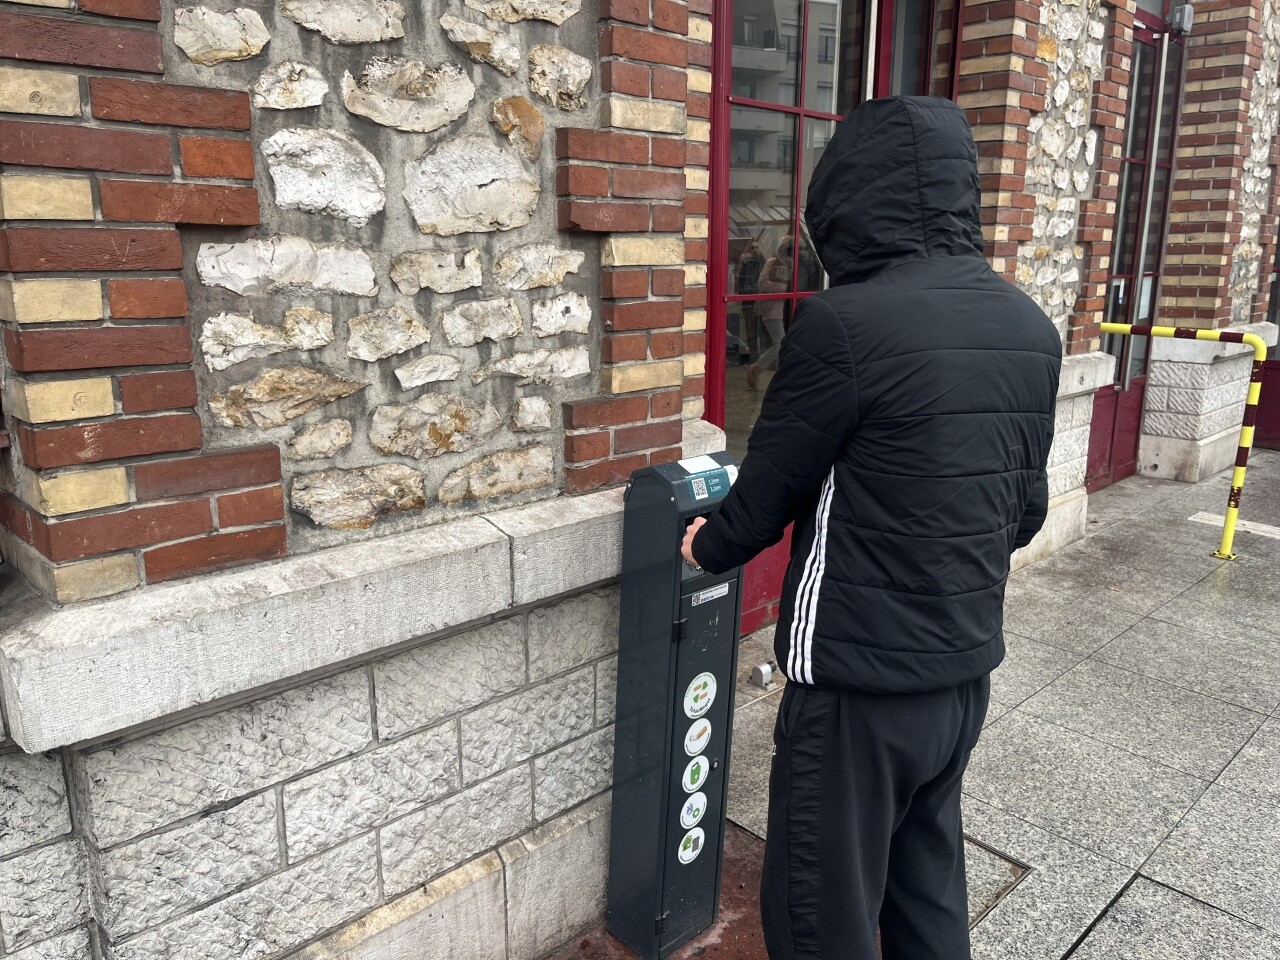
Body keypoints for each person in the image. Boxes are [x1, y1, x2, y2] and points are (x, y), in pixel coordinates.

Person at [681, 96, 1061, 960]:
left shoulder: (843, 325)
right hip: (961, 679)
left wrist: (706, 546)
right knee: (927, 892)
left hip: (855, 688)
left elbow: (770, 491)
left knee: (822, 914)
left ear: (845, 199)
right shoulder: (1029, 326)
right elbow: (1025, 511)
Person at [747, 236, 794, 389]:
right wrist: (781, 288)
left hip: (784, 309)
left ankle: (779, 374)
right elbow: (762, 283)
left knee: (782, 343)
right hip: (772, 310)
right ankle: (757, 367)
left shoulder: (790, 264)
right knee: (780, 343)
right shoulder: (771, 263)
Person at [737, 241, 766, 362]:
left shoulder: (765, 263)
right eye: (752, 248)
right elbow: (741, 282)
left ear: (761, 249)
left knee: (764, 331)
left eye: (757, 248)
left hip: (762, 302)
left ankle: (764, 358)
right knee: (751, 333)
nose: (754, 250)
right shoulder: (746, 264)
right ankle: (754, 357)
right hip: (749, 302)